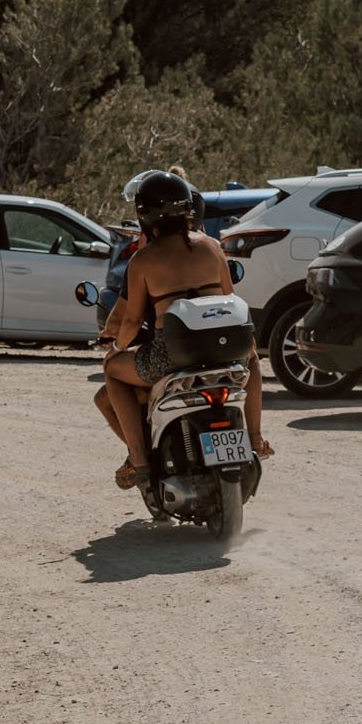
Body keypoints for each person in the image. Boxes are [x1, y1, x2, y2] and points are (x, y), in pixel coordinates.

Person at [94, 168, 270, 489]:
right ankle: (256, 438)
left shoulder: (143, 260)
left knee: (112, 371)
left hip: (172, 354)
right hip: (225, 345)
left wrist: (117, 347)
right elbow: (230, 296)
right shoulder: (213, 246)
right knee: (253, 359)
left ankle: (139, 458)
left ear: (144, 214)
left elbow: (132, 321)